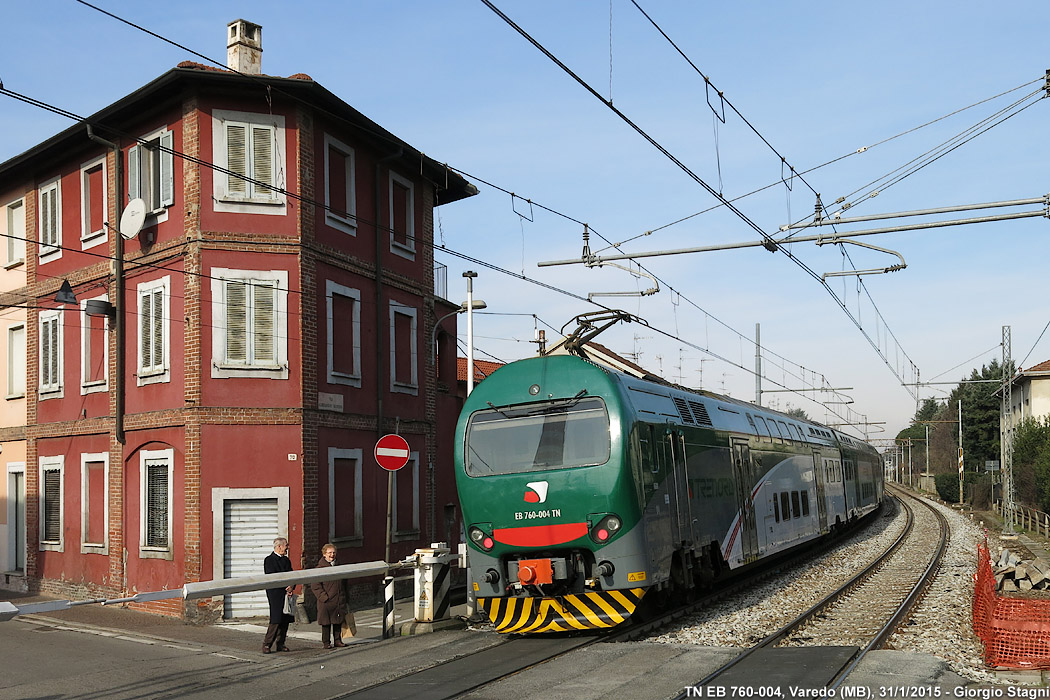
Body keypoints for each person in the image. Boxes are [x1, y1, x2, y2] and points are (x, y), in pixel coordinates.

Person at [310, 543, 349, 649]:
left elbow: (345, 583)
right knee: (326, 623)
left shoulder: (340, 566)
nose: (332, 555)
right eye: (329, 553)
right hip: (326, 601)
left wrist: (345, 597)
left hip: (339, 599)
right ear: (324, 554)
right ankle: (326, 642)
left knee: (338, 621)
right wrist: (324, 598)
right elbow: (315, 586)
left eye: (334, 552)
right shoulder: (319, 569)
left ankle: (338, 640)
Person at [262, 537, 296, 654]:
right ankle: (267, 644)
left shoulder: (286, 560)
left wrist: (291, 586)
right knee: (276, 619)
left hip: (286, 593)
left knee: (285, 619)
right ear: (279, 546)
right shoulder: (269, 560)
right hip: (275, 593)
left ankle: (281, 643)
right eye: (286, 545)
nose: (287, 547)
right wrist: (284, 586)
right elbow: (272, 577)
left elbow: (292, 574)